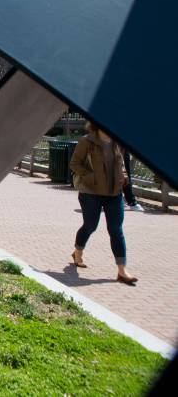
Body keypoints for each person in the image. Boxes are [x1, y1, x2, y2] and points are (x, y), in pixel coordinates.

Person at [69, 122, 138, 285]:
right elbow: (74, 164)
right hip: (90, 192)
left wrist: (123, 177)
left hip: (114, 193)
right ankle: (77, 251)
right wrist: (90, 177)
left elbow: (121, 164)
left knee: (116, 229)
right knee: (90, 225)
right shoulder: (87, 141)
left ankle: (122, 270)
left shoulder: (118, 142)